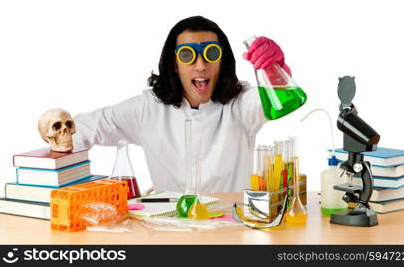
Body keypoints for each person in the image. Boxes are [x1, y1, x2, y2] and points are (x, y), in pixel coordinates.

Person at [73, 15, 291, 192]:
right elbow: (81, 129)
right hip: (170, 229)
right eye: (187, 55)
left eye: (211, 53)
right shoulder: (148, 109)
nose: (200, 65)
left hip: (231, 228)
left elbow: (281, 99)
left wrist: (276, 69)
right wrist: (53, 129)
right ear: (175, 64)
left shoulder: (242, 104)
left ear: (222, 61)